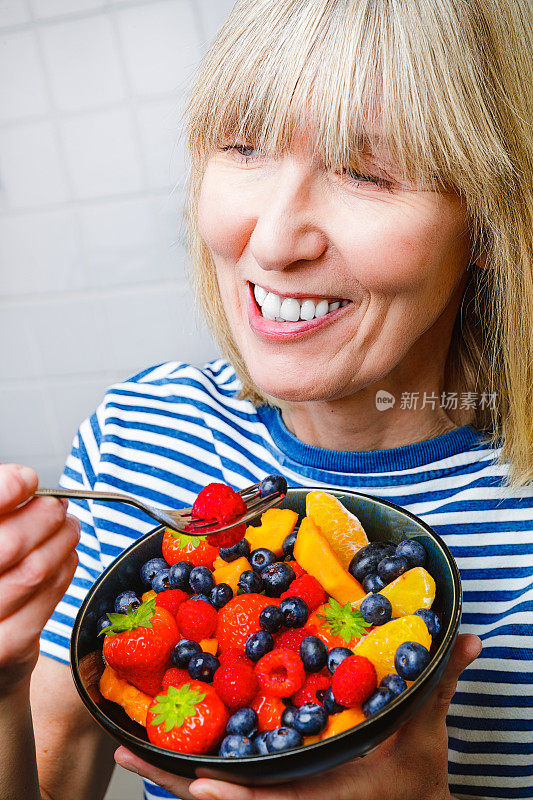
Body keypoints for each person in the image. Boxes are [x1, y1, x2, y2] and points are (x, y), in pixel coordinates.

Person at [1, 0, 532, 798]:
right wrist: (3, 688)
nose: (274, 240)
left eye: (367, 172)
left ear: (488, 223)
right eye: (244, 145)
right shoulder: (139, 433)